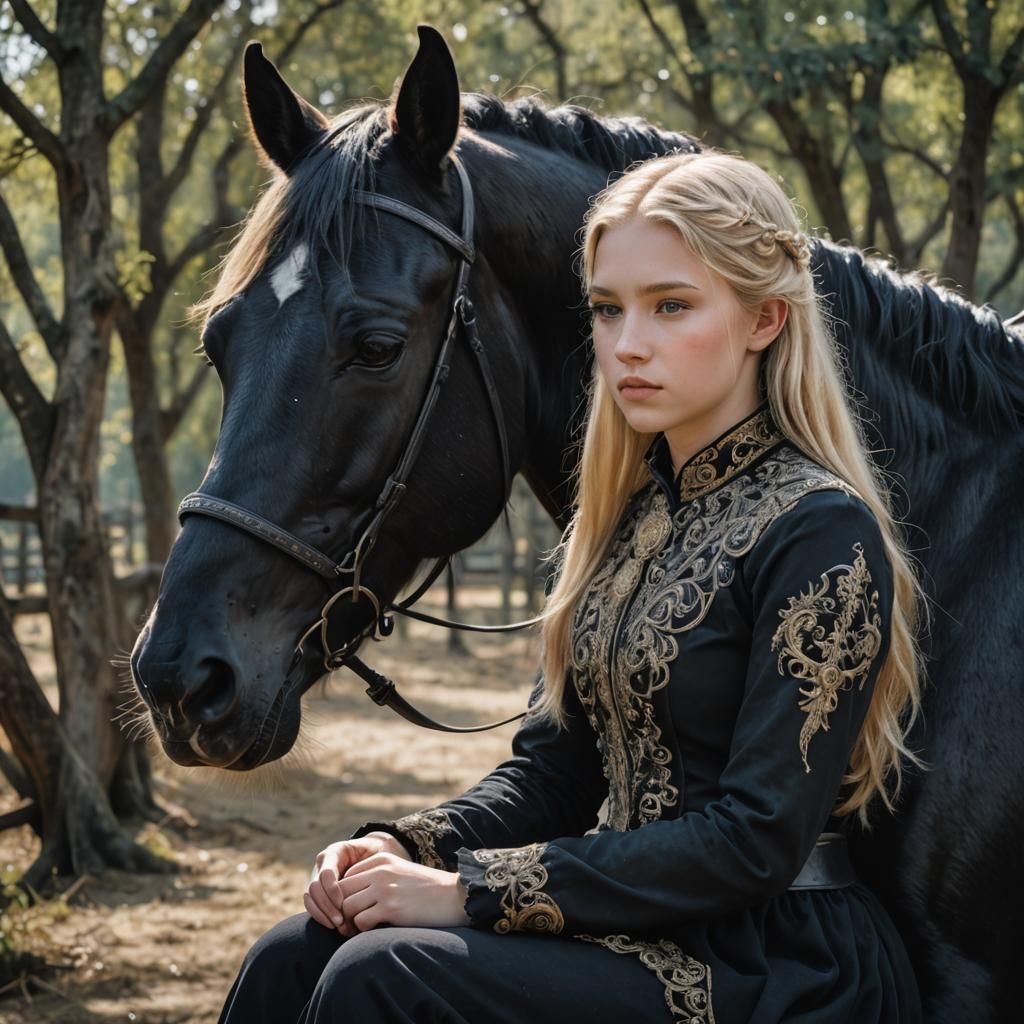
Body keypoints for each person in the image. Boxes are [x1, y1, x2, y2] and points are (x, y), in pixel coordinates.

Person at [219, 150, 925, 1023]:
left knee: (382, 974)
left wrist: (469, 891)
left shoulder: (821, 530)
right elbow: (553, 776)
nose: (628, 345)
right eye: (607, 308)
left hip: (771, 959)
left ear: (764, 319)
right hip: (626, 924)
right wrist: (401, 845)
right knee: (293, 954)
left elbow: (754, 843)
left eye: (671, 306)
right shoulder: (621, 525)